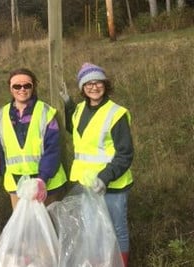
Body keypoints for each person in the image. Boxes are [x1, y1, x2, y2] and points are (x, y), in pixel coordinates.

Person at [59, 62, 134, 267]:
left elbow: (125, 153)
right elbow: (76, 131)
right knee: (93, 228)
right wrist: (67, 104)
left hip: (113, 185)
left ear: (105, 84)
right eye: (88, 83)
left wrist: (105, 177)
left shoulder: (116, 113)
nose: (94, 87)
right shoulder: (79, 109)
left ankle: (120, 264)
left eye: (98, 82)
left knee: (117, 228)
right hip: (87, 184)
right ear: (82, 87)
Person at [0, 68, 68, 209]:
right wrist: (1, 172)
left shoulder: (46, 112)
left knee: (47, 228)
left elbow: (53, 148)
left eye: (27, 85)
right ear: (10, 88)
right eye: (17, 86)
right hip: (17, 185)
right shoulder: (0, 116)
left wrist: (42, 179)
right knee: (23, 228)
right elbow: (1, 149)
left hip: (46, 184)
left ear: (33, 87)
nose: (22, 89)